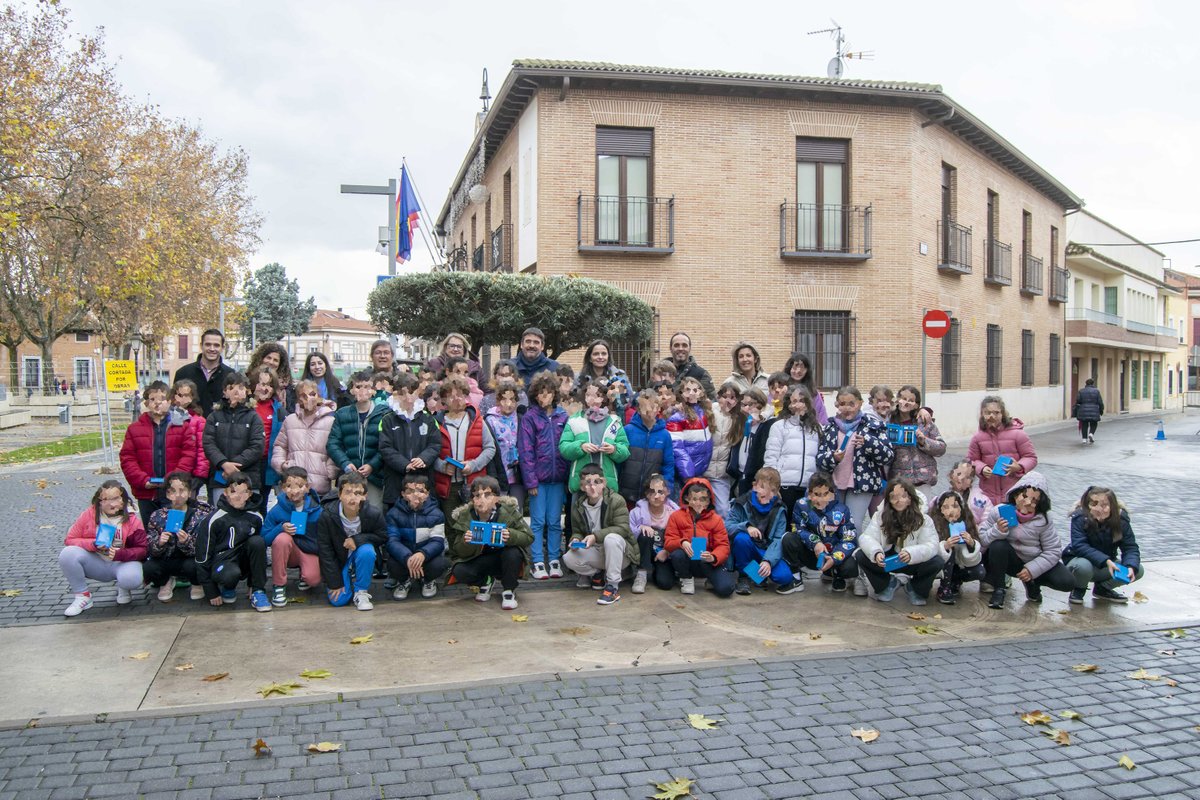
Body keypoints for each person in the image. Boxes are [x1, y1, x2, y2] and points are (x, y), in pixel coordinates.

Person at [978, 471, 1073, 608]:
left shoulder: (1044, 520)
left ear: (1040, 503)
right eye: (1024, 496)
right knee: (998, 545)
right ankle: (999, 589)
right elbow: (982, 539)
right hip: (1010, 560)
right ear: (1016, 495)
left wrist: (1032, 570)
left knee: (1067, 581)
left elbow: (1053, 551)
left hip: (1033, 560)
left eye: (1034, 500)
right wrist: (997, 531)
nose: (1027, 502)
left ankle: (1033, 584)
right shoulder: (999, 511)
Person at [58, 481, 147, 616]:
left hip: (121, 563)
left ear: (123, 500)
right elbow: (70, 539)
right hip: (96, 561)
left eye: (116, 498)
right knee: (67, 554)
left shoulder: (133, 520)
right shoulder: (89, 514)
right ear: (98, 501)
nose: (111, 504)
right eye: (105, 499)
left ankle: (123, 587)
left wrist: (120, 554)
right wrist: (92, 544)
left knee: (132, 579)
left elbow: (143, 549)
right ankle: (82, 596)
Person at [448, 476, 533, 610]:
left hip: (504, 559)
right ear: (472, 500)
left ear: (497, 498)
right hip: (480, 559)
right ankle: (485, 582)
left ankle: (509, 591)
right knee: (459, 570)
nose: (482, 499)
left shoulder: (509, 512)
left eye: (487, 495)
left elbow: (529, 537)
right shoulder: (465, 516)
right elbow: (457, 551)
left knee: (513, 553)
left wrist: (511, 535)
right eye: (477, 495)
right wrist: (466, 541)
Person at [815, 386, 894, 532]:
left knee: (854, 524)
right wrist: (833, 457)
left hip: (862, 484)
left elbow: (887, 456)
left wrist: (868, 442)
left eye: (852, 404)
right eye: (843, 404)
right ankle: (837, 553)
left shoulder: (873, 426)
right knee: (833, 523)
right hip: (835, 483)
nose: (847, 408)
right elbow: (820, 459)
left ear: (860, 403)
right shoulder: (830, 428)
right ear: (837, 405)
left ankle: (852, 553)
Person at [120, 380, 197, 526]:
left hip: (174, 491)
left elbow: (188, 455)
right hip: (147, 492)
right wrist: (142, 480)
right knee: (151, 532)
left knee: (175, 529)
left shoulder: (182, 427)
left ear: (170, 402)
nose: (157, 403)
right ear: (146, 403)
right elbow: (127, 458)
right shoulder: (134, 429)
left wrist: (175, 480)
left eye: (162, 399)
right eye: (152, 399)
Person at [855, 480, 944, 605]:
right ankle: (886, 584)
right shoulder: (880, 516)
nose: (899, 500)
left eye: (903, 496)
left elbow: (932, 545)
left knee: (937, 562)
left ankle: (915, 588)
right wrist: (876, 552)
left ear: (910, 498)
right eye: (894, 497)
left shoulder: (923, 520)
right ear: (889, 499)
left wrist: (912, 553)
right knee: (861, 555)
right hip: (888, 559)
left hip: (912, 559)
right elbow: (866, 537)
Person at [193, 471, 270, 611]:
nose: (238, 497)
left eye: (243, 492)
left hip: (243, 558)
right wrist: (211, 590)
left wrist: (253, 582)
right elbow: (202, 556)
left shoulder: (256, 517)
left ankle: (258, 591)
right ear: (225, 493)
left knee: (258, 542)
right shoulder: (214, 519)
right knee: (230, 575)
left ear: (250, 494)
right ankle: (227, 586)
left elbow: (258, 553)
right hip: (222, 561)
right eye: (233, 492)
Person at [519, 371, 570, 581]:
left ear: (554, 394)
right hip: (538, 481)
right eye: (540, 393)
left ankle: (555, 559)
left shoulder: (563, 416)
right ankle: (538, 560)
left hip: (558, 479)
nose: (544, 397)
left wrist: (568, 479)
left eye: (548, 393)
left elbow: (567, 448)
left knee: (555, 521)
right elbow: (526, 451)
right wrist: (530, 480)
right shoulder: (530, 418)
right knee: (538, 521)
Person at [565, 464, 637, 604]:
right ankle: (598, 573)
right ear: (581, 486)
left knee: (611, 539)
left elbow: (623, 528)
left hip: (621, 553)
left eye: (596, 482)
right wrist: (575, 539)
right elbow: (578, 531)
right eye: (587, 483)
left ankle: (612, 587)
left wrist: (596, 536)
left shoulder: (615, 500)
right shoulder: (579, 505)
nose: (592, 487)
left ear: (603, 483)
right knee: (569, 558)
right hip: (597, 551)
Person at [781, 472, 861, 595]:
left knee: (850, 566)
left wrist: (834, 558)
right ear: (809, 493)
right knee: (788, 538)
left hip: (833, 555)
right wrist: (815, 543)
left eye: (825, 494)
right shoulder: (802, 505)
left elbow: (849, 538)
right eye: (816, 494)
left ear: (833, 493)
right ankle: (796, 578)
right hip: (811, 554)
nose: (820, 499)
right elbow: (797, 528)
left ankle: (836, 575)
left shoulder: (842, 510)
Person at [315, 472, 385, 611]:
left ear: (365, 496)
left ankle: (361, 591)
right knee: (339, 601)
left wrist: (357, 540)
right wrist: (335, 582)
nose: (353, 498)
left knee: (367, 551)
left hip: (360, 554)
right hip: (339, 558)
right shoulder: (327, 516)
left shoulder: (373, 513)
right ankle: (345, 579)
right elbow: (325, 551)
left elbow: (383, 536)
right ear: (339, 495)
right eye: (348, 492)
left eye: (358, 493)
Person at [433, 375, 498, 518]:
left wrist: (474, 465)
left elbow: (490, 448)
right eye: (451, 396)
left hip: (473, 483)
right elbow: (431, 453)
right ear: (443, 400)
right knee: (451, 524)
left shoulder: (477, 420)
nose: (456, 399)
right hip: (447, 484)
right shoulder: (436, 423)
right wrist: (442, 466)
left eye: (460, 395)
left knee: (473, 522)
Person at [1064, 486, 1141, 605]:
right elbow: (1080, 546)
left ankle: (1103, 588)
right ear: (1087, 505)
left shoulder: (1121, 520)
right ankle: (1078, 589)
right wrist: (1106, 561)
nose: (1099, 509)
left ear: (1113, 506)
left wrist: (1131, 566)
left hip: (1107, 565)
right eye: (1094, 504)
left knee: (1138, 569)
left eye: (1105, 505)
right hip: (1081, 561)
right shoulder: (1079, 517)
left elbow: (1130, 547)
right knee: (1083, 566)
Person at [143, 472, 212, 602]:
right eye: (173, 491)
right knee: (148, 567)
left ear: (190, 492)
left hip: (189, 560)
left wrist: (186, 542)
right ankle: (166, 581)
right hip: (167, 559)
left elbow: (203, 549)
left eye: (182, 490)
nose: (178, 495)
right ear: (168, 494)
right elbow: (150, 549)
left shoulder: (200, 516)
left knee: (194, 565)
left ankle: (196, 583)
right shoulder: (157, 516)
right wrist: (160, 543)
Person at [326, 370, 389, 509]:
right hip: (350, 474)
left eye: (367, 386)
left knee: (374, 511)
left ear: (373, 390)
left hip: (375, 476)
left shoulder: (384, 414)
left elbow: (387, 445)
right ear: (352, 390)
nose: (362, 391)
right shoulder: (342, 414)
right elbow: (333, 443)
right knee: (350, 510)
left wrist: (373, 465)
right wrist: (345, 463)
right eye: (358, 387)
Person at [661, 477, 734, 597]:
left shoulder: (716, 519)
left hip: (705, 561)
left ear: (709, 501)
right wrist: (682, 542)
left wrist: (714, 557)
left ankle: (710, 580)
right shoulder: (676, 516)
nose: (698, 503)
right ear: (687, 499)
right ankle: (686, 578)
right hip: (685, 559)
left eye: (702, 499)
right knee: (677, 554)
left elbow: (723, 545)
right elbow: (668, 541)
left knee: (726, 589)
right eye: (694, 499)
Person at [262, 466, 324, 606]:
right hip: (287, 551)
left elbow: (325, 538)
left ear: (307, 487)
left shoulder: (318, 510)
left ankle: (304, 574)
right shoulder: (276, 510)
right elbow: (264, 539)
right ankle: (279, 586)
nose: (295, 491)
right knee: (282, 539)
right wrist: (280, 528)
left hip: (309, 549)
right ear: (283, 488)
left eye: (300, 486)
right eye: (289, 486)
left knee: (313, 579)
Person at [378, 371, 440, 510]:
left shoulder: (428, 419)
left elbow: (435, 444)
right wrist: (405, 464)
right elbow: (385, 448)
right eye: (402, 393)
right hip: (396, 482)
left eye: (412, 392)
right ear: (396, 394)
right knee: (396, 521)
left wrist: (424, 458)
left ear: (418, 393)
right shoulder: (387, 419)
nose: (408, 398)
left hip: (423, 480)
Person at [725, 467, 792, 594]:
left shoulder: (780, 509)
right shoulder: (742, 502)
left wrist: (768, 561)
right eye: (762, 487)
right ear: (754, 486)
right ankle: (744, 577)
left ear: (777, 491)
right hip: (746, 547)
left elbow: (778, 539)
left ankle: (757, 574)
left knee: (784, 577)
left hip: (765, 550)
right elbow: (726, 526)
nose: (767, 493)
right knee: (741, 538)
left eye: (772, 490)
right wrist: (746, 527)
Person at [202, 372, 265, 506]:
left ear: (247, 392)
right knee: (220, 515)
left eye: (241, 388)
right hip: (220, 478)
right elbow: (208, 443)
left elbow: (257, 447)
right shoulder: (214, 417)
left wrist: (233, 466)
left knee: (249, 517)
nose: (236, 392)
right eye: (231, 388)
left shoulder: (254, 417)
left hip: (248, 479)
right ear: (224, 392)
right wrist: (224, 464)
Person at [560, 379, 630, 495]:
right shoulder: (574, 420)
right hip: (581, 484)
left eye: (596, 396)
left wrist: (614, 449)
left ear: (603, 399)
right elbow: (564, 448)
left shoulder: (614, 421)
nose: (591, 399)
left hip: (607, 485)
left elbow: (625, 450)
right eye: (588, 395)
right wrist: (581, 447)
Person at [385, 474, 447, 600]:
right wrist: (407, 557)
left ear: (428, 494)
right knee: (392, 564)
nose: (416, 495)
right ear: (403, 494)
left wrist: (422, 554)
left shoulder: (437, 514)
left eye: (420, 491)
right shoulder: (393, 514)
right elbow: (392, 541)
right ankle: (404, 581)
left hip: (426, 557)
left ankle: (428, 580)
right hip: (404, 557)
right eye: (410, 491)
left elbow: (438, 541)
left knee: (440, 564)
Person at [967, 396, 1038, 506]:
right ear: (982, 414)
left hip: (1015, 492)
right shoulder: (977, 437)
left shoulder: (1018, 434)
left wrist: (1019, 466)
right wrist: (981, 468)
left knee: (1011, 522)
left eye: (996, 413)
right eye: (988, 412)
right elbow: (972, 460)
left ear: (1003, 413)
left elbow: (1031, 457)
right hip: (988, 494)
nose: (992, 416)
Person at [271, 380, 338, 496]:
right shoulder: (290, 420)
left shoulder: (330, 422)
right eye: (303, 395)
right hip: (294, 487)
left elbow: (336, 448)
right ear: (298, 399)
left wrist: (330, 470)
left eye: (312, 394)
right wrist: (282, 464)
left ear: (319, 397)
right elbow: (280, 446)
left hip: (319, 487)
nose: (308, 398)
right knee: (295, 514)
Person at [762, 385, 820, 519]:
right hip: (785, 485)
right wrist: (772, 485)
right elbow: (771, 456)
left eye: (802, 401)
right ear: (788, 404)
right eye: (794, 401)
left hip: (807, 487)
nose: (798, 405)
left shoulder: (815, 428)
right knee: (784, 523)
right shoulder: (779, 426)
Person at [620, 388, 676, 508]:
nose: (650, 410)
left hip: (650, 496)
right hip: (626, 494)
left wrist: (666, 488)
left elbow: (668, 465)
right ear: (639, 410)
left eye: (654, 406)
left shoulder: (664, 435)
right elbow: (619, 463)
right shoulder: (628, 430)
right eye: (646, 407)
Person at [929, 490, 984, 605]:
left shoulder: (967, 524)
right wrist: (945, 546)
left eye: (955, 506)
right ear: (940, 510)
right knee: (950, 551)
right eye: (946, 507)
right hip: (941, 566)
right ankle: (944, 588)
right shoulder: (934, 525)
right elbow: (930, 549)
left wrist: (971, 544)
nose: (951, 511)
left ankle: (955, 580)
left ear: (961, 509)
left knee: (979, 571)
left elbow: (975, 559)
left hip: (960, 565)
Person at [887, 385, 946, 489]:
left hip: (923, 479)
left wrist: (924, 442)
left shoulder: (924, 422)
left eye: (911, 400)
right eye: (903, 399)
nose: (906, 402)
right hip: (899, 482)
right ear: (898, 400)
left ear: (916, 405)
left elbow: (942, 448)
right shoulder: (889, 422)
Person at [629, 472, 679, 594]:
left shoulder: (674, 513)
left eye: (660, 492)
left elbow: (681, 535)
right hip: (643, 551)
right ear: (646, 494)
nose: (656, 496)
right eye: (652, 492)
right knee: (645, 534)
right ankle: (641, 573)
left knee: (665, 583)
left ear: (667, 492)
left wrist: (667, 551)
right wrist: (640, 528)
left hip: (663, 553)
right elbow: (628, 534)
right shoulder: (636, 512)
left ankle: (659, 571)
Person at [665, 377, 716, 485]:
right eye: (687, 390)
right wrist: (688, 474)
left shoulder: (705, 412)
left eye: (695, 390)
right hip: (686, 475)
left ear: (701, 393)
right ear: (681, 393)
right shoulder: (677, 417)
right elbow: (677, 449)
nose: (692, 393)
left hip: (701, 471)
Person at [173, 328, 234, 416]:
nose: (212, 349)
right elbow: (175, 405)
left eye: (216, 345)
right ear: (201, 346)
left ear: (222, 348)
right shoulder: (183, 373)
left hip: (220, 428)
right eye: (208, 344)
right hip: (190, 427)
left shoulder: (230, 375)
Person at [703, 382, 742, 517]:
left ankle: (720, 538)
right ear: (718, 397)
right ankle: (699, 539)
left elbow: (764, 408)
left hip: (721, 474)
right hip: (703, 470)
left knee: (723, 510)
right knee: (699, 508)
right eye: (725, 396)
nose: (728, 401)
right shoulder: (710, 412)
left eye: (733, 398)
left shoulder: (739, 419)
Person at [249, 367, 286, 512]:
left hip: (268, 462)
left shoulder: (278, 409)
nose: (265, 389)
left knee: (262, 502)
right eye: (261, 384)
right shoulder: (246, 407)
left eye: (269, 385)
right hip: (249, 462)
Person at [484, 382, 526, 509]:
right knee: (498, 511)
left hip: (517, 474)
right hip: (498, 472)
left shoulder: (521, 418)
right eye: (504, 399)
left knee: (515, 510)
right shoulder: (490, 420)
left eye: (512, 400)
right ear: (498, 401)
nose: (508, 404)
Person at [728, 387, 772, 496]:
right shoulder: (740, 422)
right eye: (743, 405)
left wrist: (762, 415)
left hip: (757, 476)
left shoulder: (767, 424)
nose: (747, 408)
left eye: (751, 404)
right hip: (740, 474)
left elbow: (771, 409)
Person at [168, 379, 210, 495]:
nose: (183, 399)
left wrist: (199, 475)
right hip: (170, 470)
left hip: (191, 474)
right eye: (180, 395)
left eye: (187, 395)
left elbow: (202, 449)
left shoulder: (198, 420)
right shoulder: (167, 417)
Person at [576, 339, 634, 419]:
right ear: (589, 358)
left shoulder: (619, 376)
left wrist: (614, 396)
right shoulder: (579, 378)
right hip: (586, 423)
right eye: (596, 354)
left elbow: (629, 402)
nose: (600, 357)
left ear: (608, 356)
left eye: (604, 354)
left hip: (614, 422)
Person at [247, 342, 295, 415]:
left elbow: (290, 412)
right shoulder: (248, 381)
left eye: (275, 360)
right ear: (261, 358)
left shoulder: (287, 387)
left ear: (280, 364)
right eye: (268, 358)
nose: (271, 362)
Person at [783, 352, 829, 425]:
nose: (798, 371)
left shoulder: (813, 393)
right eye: (795, 367)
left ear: (807, 370)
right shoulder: (781, 389)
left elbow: (821, 417)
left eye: (802, 367)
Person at [945, 458, 993, 526]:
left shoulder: (983, 500)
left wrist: (975, 531)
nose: (962, 478)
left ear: (971, 482)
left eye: (967, 477)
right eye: (959, 474)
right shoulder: (940, 499)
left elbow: (988, 523)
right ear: (951, 475)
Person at [668, 332, 716, 400]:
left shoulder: (701, 374)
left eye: (684, 345)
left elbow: (712, 402)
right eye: (676, 345)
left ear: (689, 348)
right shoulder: (660, 373)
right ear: (670, 348)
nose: (680, 348)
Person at [1072, 378, 1105, 444]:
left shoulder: (1081, 391)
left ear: (1086, 384)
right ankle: (1091, 434)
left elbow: (1078, 401)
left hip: (1083, 410)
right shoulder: (1096, 391)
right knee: (1094, 423)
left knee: (1084, 424)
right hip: (1094, 410)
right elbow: (1100, 402)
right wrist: (1101, 410)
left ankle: (1084, 439)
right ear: (1093, 384)